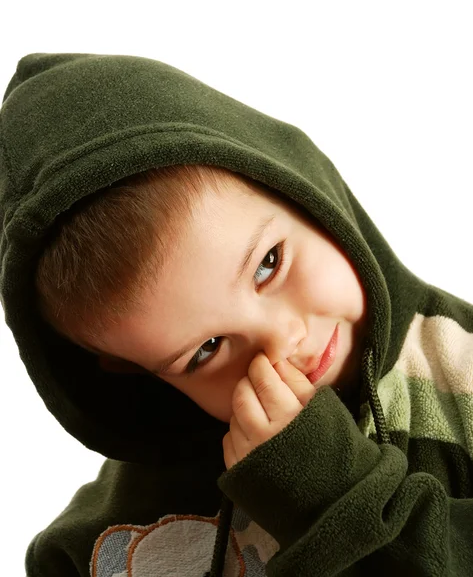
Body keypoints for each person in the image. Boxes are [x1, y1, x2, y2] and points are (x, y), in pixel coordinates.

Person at [1, 52, 472, 577]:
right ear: (139, 375)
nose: (282, 342)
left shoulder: (463, 369)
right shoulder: (106, 538)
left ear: (298, 188)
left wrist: (334, 499)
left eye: (268, 264)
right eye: (206, 350)